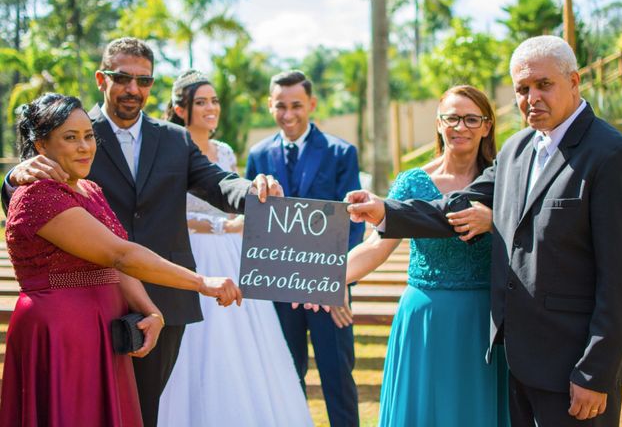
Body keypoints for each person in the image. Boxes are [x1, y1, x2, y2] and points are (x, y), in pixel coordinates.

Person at [346, 36, 622, 427]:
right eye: (522, 89)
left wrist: (595, 372)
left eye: (543, 85)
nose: (531, 97)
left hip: (575, 367)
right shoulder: (518, 149)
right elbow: (454, 209)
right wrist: (385, 210)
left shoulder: (612, 155)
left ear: (574, 81)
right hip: (516, 365)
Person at [1, 37, 281, 427]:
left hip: (161, 298)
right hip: (69, 321)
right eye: (123, 77)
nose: (134, 89)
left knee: (137, 409)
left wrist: (253, 192)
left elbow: (216, 183)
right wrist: (13, 176)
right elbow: (33, 204)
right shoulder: (73, 127)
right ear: (102, 78)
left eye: (144, 80)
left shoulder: (174, 138)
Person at [345, 85, 509, 426]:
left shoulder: (507, 180)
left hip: (485, 321)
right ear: (438, 123)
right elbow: (376, 247)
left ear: (487, 126)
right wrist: (321, 276)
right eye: (451, 118)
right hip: (424, 320)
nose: (460, 127)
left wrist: (495, 223)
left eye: (470, 119)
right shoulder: (412, 182)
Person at [157, 70, 313, 426]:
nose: (211, 108)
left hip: (233, 253)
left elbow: (232, 195)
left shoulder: (224, 151)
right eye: (201, 102)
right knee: (198, 346)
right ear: (181, 109)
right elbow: (167, 215)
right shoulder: (169, 151)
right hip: (192, 254)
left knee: (249, 348)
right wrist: (221, 225)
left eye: (214, 100)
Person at [245, 70, 364, 427]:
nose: (288, 113)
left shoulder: (341, 152)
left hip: (330, 288)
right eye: (280, 105)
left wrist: (338, 281)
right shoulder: (258, 154)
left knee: (337, 377)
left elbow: (354, 222)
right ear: (270, 105)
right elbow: (255, 224)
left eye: (296, 105)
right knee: (285, 377)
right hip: (278, 290)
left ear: (311, 104)